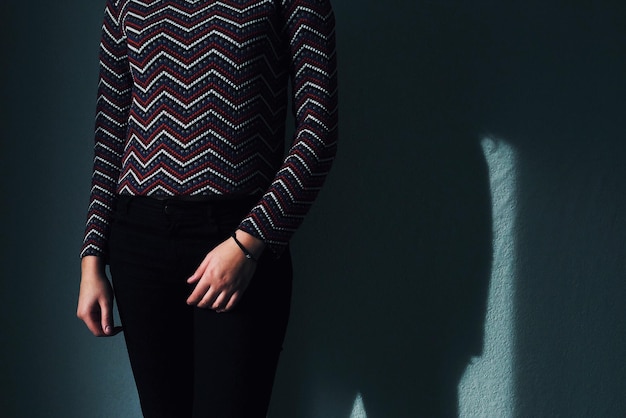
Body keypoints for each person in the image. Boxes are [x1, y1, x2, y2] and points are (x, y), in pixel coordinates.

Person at [76, 0, 338, 416]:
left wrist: (249, 244)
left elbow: (318, 132)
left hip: (238, 240)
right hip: (137, 243)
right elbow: (111, 131)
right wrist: (92, 258)